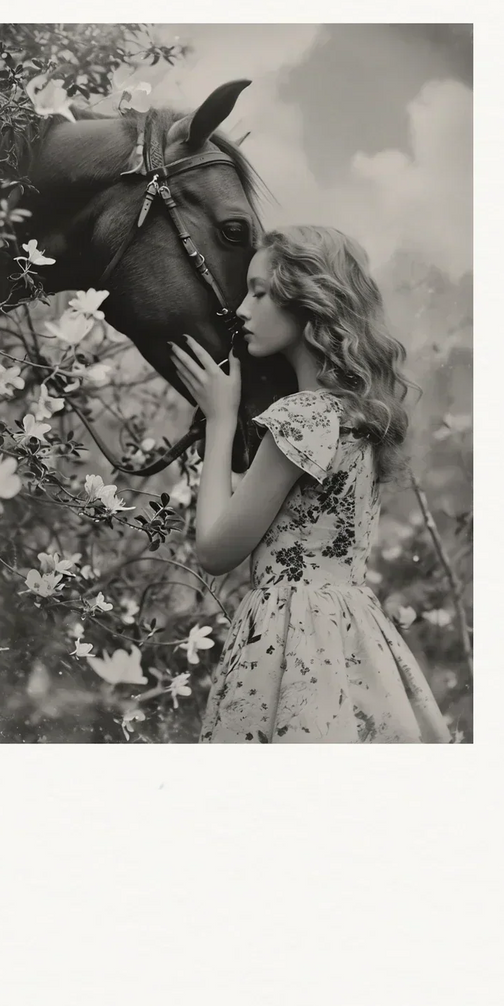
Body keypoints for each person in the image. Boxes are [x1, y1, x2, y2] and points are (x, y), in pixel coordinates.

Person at [169, 224, 453, 744]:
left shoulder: (301, 419)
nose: (241, 310)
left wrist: (219, 418)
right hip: (353, 635)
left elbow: (213, 552)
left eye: (258, 292)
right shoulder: (358, 416)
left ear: (308, 301)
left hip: (288, 639)